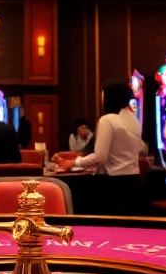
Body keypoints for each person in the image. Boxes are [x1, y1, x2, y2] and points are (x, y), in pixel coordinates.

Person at [56, 79, 144, 214]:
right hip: (134, 183)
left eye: (103, 94)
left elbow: (100, 157)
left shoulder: (107, 120)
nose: (101, 98)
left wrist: (74, 162)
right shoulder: (133, 120)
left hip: (113, 186)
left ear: (110, 97)